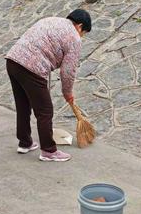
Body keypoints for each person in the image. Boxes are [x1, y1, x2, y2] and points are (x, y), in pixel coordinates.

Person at [6, 9, 91, 162]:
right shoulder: (74, 38)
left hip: (12, 61)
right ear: (79, 26)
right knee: (45, 110)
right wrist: (68, 92)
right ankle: (48, 151)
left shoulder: (50, 20)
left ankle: (25, 143)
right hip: (32, 68)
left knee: (23, 105)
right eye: (83, 32)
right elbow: (68, 71)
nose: (81, 36)